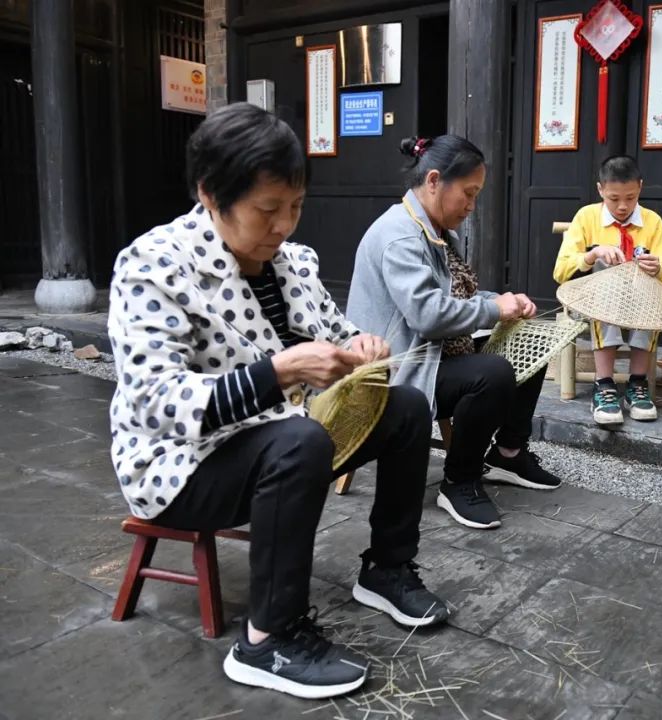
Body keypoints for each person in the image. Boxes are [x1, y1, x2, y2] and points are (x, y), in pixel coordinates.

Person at [108, 103, 448, 700]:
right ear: (211, 194)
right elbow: (157, 402)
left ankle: (387, 568)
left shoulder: (291, 263)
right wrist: (279, 371)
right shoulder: (154, 266)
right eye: (267, 210)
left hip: (284, 436)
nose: (284, 226)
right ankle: (266, 638)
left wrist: (360, 346)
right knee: (299, 440)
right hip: (181, 465)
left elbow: (335, 332)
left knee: (407, 409)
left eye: (295, 206)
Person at [346, 135, 561, 532]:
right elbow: (429, 316)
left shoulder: (434, 229)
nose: (471, 205)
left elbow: (456, 297)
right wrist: (494, 309)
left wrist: (504, 302)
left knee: (534, 340)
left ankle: (508, 453)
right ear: (433, 180)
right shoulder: (400, 235)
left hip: (432, 353)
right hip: (397, 369)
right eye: (469, 193)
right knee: (492, 373)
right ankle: (460, 480)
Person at [552, 155, 662, 425]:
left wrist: (656, 270)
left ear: (640, 187)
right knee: (607, 285)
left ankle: (637, 383)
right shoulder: (586, 217)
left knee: (651, 293)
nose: (622, 206)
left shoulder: (652, 221)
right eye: (613, 198)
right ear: (600, 190)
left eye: (630, 198)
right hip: (590, 304)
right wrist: (592, 255)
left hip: (640, 302)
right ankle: (604, 384)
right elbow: (560, 272)